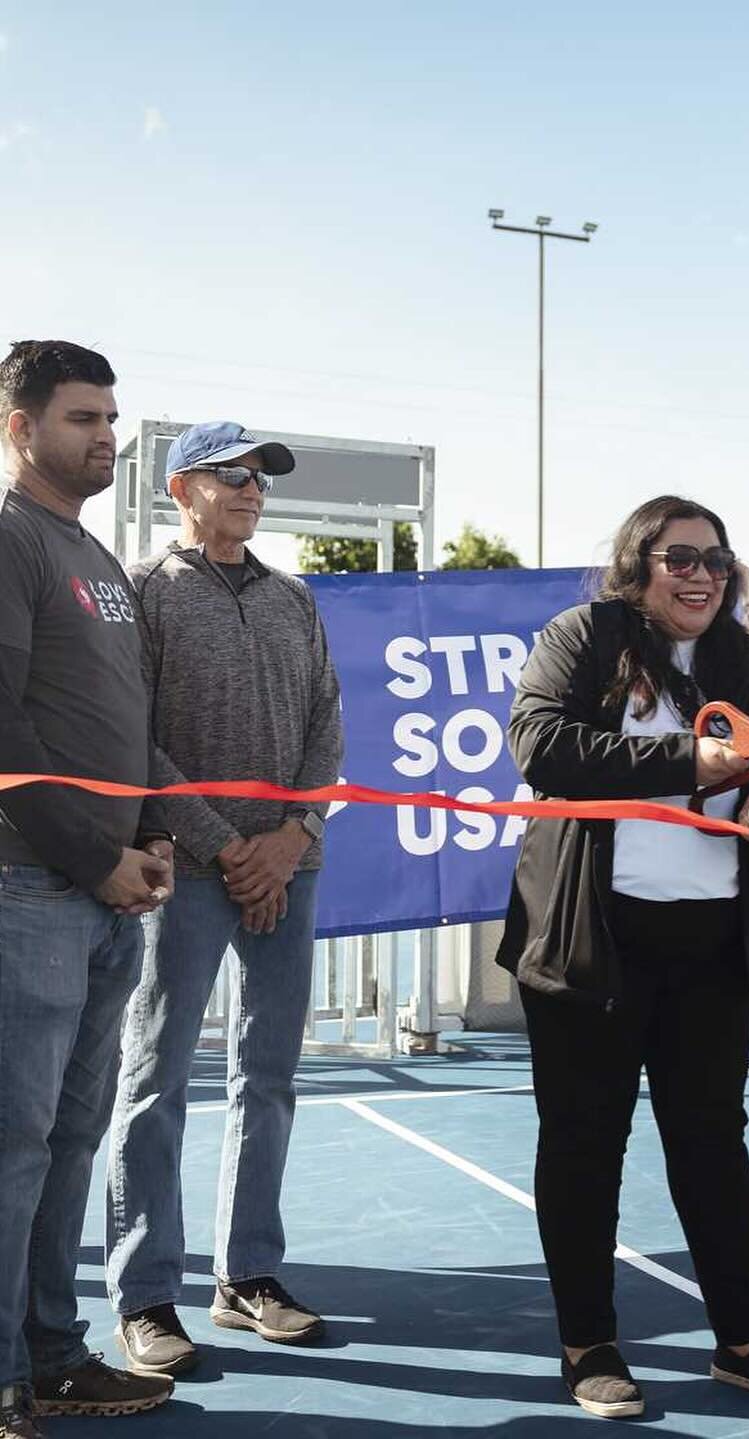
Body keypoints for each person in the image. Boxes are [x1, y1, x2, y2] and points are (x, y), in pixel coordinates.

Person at [496, 496, 749, 1419]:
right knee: (583, 1146)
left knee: (713, 1147)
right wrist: (691, 761)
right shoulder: (585, 635)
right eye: (680, 558)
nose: (701, 576)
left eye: (717, 561)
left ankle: (743, 1340)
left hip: (707, 943)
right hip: (590, 943)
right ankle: (588, 1343)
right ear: (638, 563)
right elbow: (543, 747)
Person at [105, 422, 343, 1375]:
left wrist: (292, 841)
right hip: (190, 870)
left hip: (288, 865)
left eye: (260, 480)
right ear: (182, 489)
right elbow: (135, 738)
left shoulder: (294, 597)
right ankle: (145, 1292)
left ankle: (248, 1275)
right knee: (154, 1080)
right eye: (232, 476)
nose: (252, 491)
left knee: (269, 1078)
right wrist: (228, 846)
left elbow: (328, 723)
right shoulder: (144, 593)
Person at [0, 341, 176, 1437]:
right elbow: (4, 728)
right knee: (14, 1141)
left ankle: (53, 1354)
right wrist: (92, 853)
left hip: (106, 894)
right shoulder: (11, 540)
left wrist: (148, 837)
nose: (104, 434)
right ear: (19, 425)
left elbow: (130, 722)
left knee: (70, 1138)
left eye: (111, 416)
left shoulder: (98, 558)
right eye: (79, 417)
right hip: (30, 889)